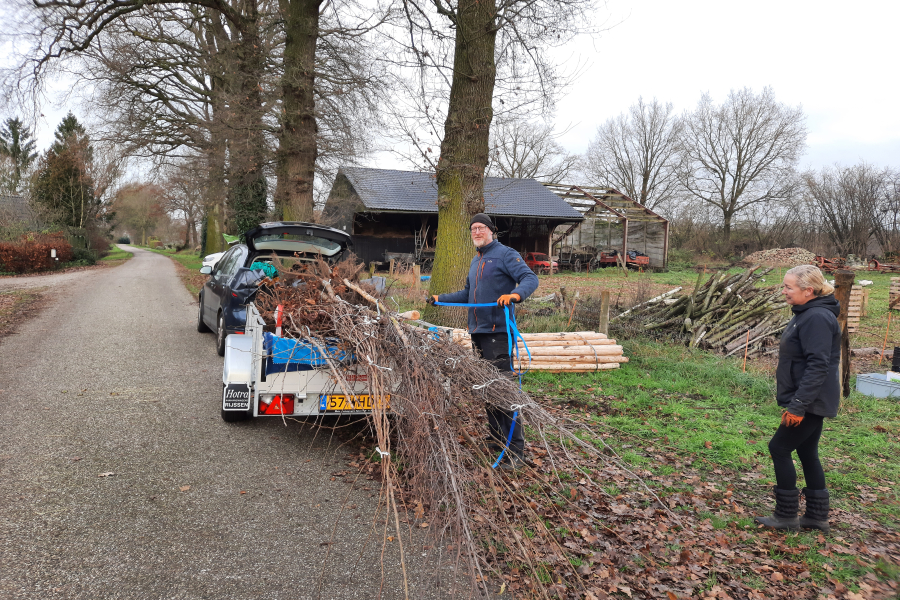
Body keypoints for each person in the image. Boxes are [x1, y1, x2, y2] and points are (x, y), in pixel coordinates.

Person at [428, 213, 539, 469]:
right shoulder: (476, 260)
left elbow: (530, 278)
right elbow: (468, 293)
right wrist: (440, 297)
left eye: (481, 228)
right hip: (478, 331)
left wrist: (515, 295)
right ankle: (496, 438)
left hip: (498, 332)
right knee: (487, 387)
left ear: (492, 230)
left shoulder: (505, 253)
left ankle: (516, 451)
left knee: (502, 391)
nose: (476, 232)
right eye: (473, 229)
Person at [755, 264, 840, 532]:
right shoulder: (806, 313)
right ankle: (816, 517)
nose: (784, 291)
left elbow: (818, 366)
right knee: (806, 451)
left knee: (778, 448)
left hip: (810, 400)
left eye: (788, 287)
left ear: (808, 290)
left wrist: (798, 406)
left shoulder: (816, 317)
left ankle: (786, 516)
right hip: (810, 398)